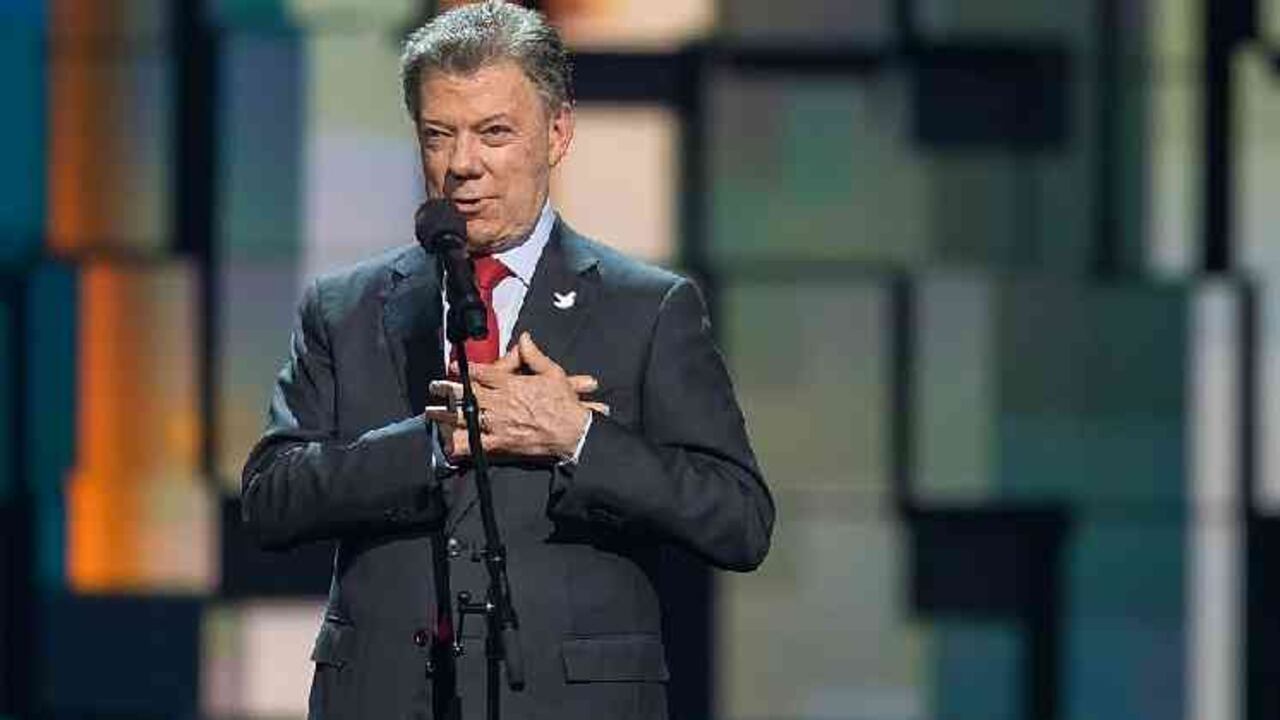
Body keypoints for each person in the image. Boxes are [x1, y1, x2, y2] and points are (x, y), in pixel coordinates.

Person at [240, 2, 774, 718]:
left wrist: (577, 438)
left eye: (494, 132)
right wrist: (428, 447)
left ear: (558, 132)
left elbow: (739, 520)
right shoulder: (346, 307)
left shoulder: (647, 309)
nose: (463, 165)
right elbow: (271, 501)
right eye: (439, 135)